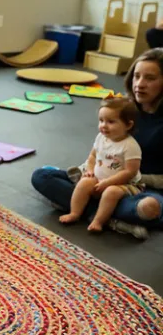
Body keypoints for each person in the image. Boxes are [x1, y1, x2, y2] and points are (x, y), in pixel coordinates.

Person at [32, 48, 163, 240]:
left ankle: (91, 210)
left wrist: (137, 179)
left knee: (150, 208)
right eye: (137, 76)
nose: (140, 84)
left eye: (150, 78)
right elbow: (102, 150)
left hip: (139, 189)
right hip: (102, 181)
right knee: (42, 176)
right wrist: (89, 171)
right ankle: (108, 218)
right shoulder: (123, 109)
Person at [58, 96, 143, 232]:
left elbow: (130, 172)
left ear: (128, 125)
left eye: (111, 122)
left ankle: (98, 221)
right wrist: (90, 170)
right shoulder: (101, 138)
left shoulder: (130, 146)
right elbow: (92, 156)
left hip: (125, 184)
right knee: (84, 182)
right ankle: (75, 213)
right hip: (99, 179)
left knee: (111, 192)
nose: (103, 125)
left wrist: (108, 183)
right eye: (101, 120)